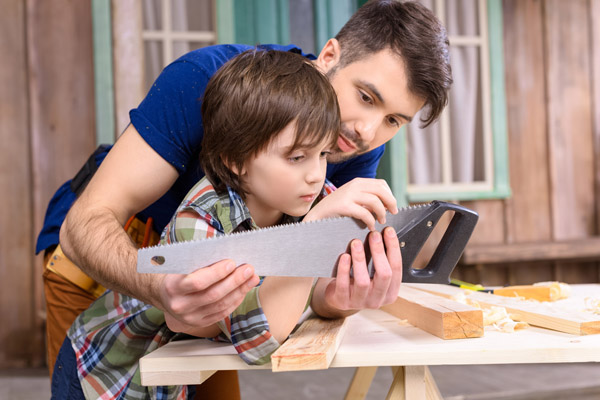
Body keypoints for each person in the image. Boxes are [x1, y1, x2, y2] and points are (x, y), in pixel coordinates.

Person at [38, 0, 452, 397]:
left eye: (393, 120)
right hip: (109, 260)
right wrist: (162, 288)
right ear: (329, 56)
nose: (368, 131)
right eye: (366, 96)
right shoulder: (201, 81)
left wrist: (338, 297)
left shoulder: (354, 143)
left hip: (224, 298)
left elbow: (309, 279)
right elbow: (86, 225)